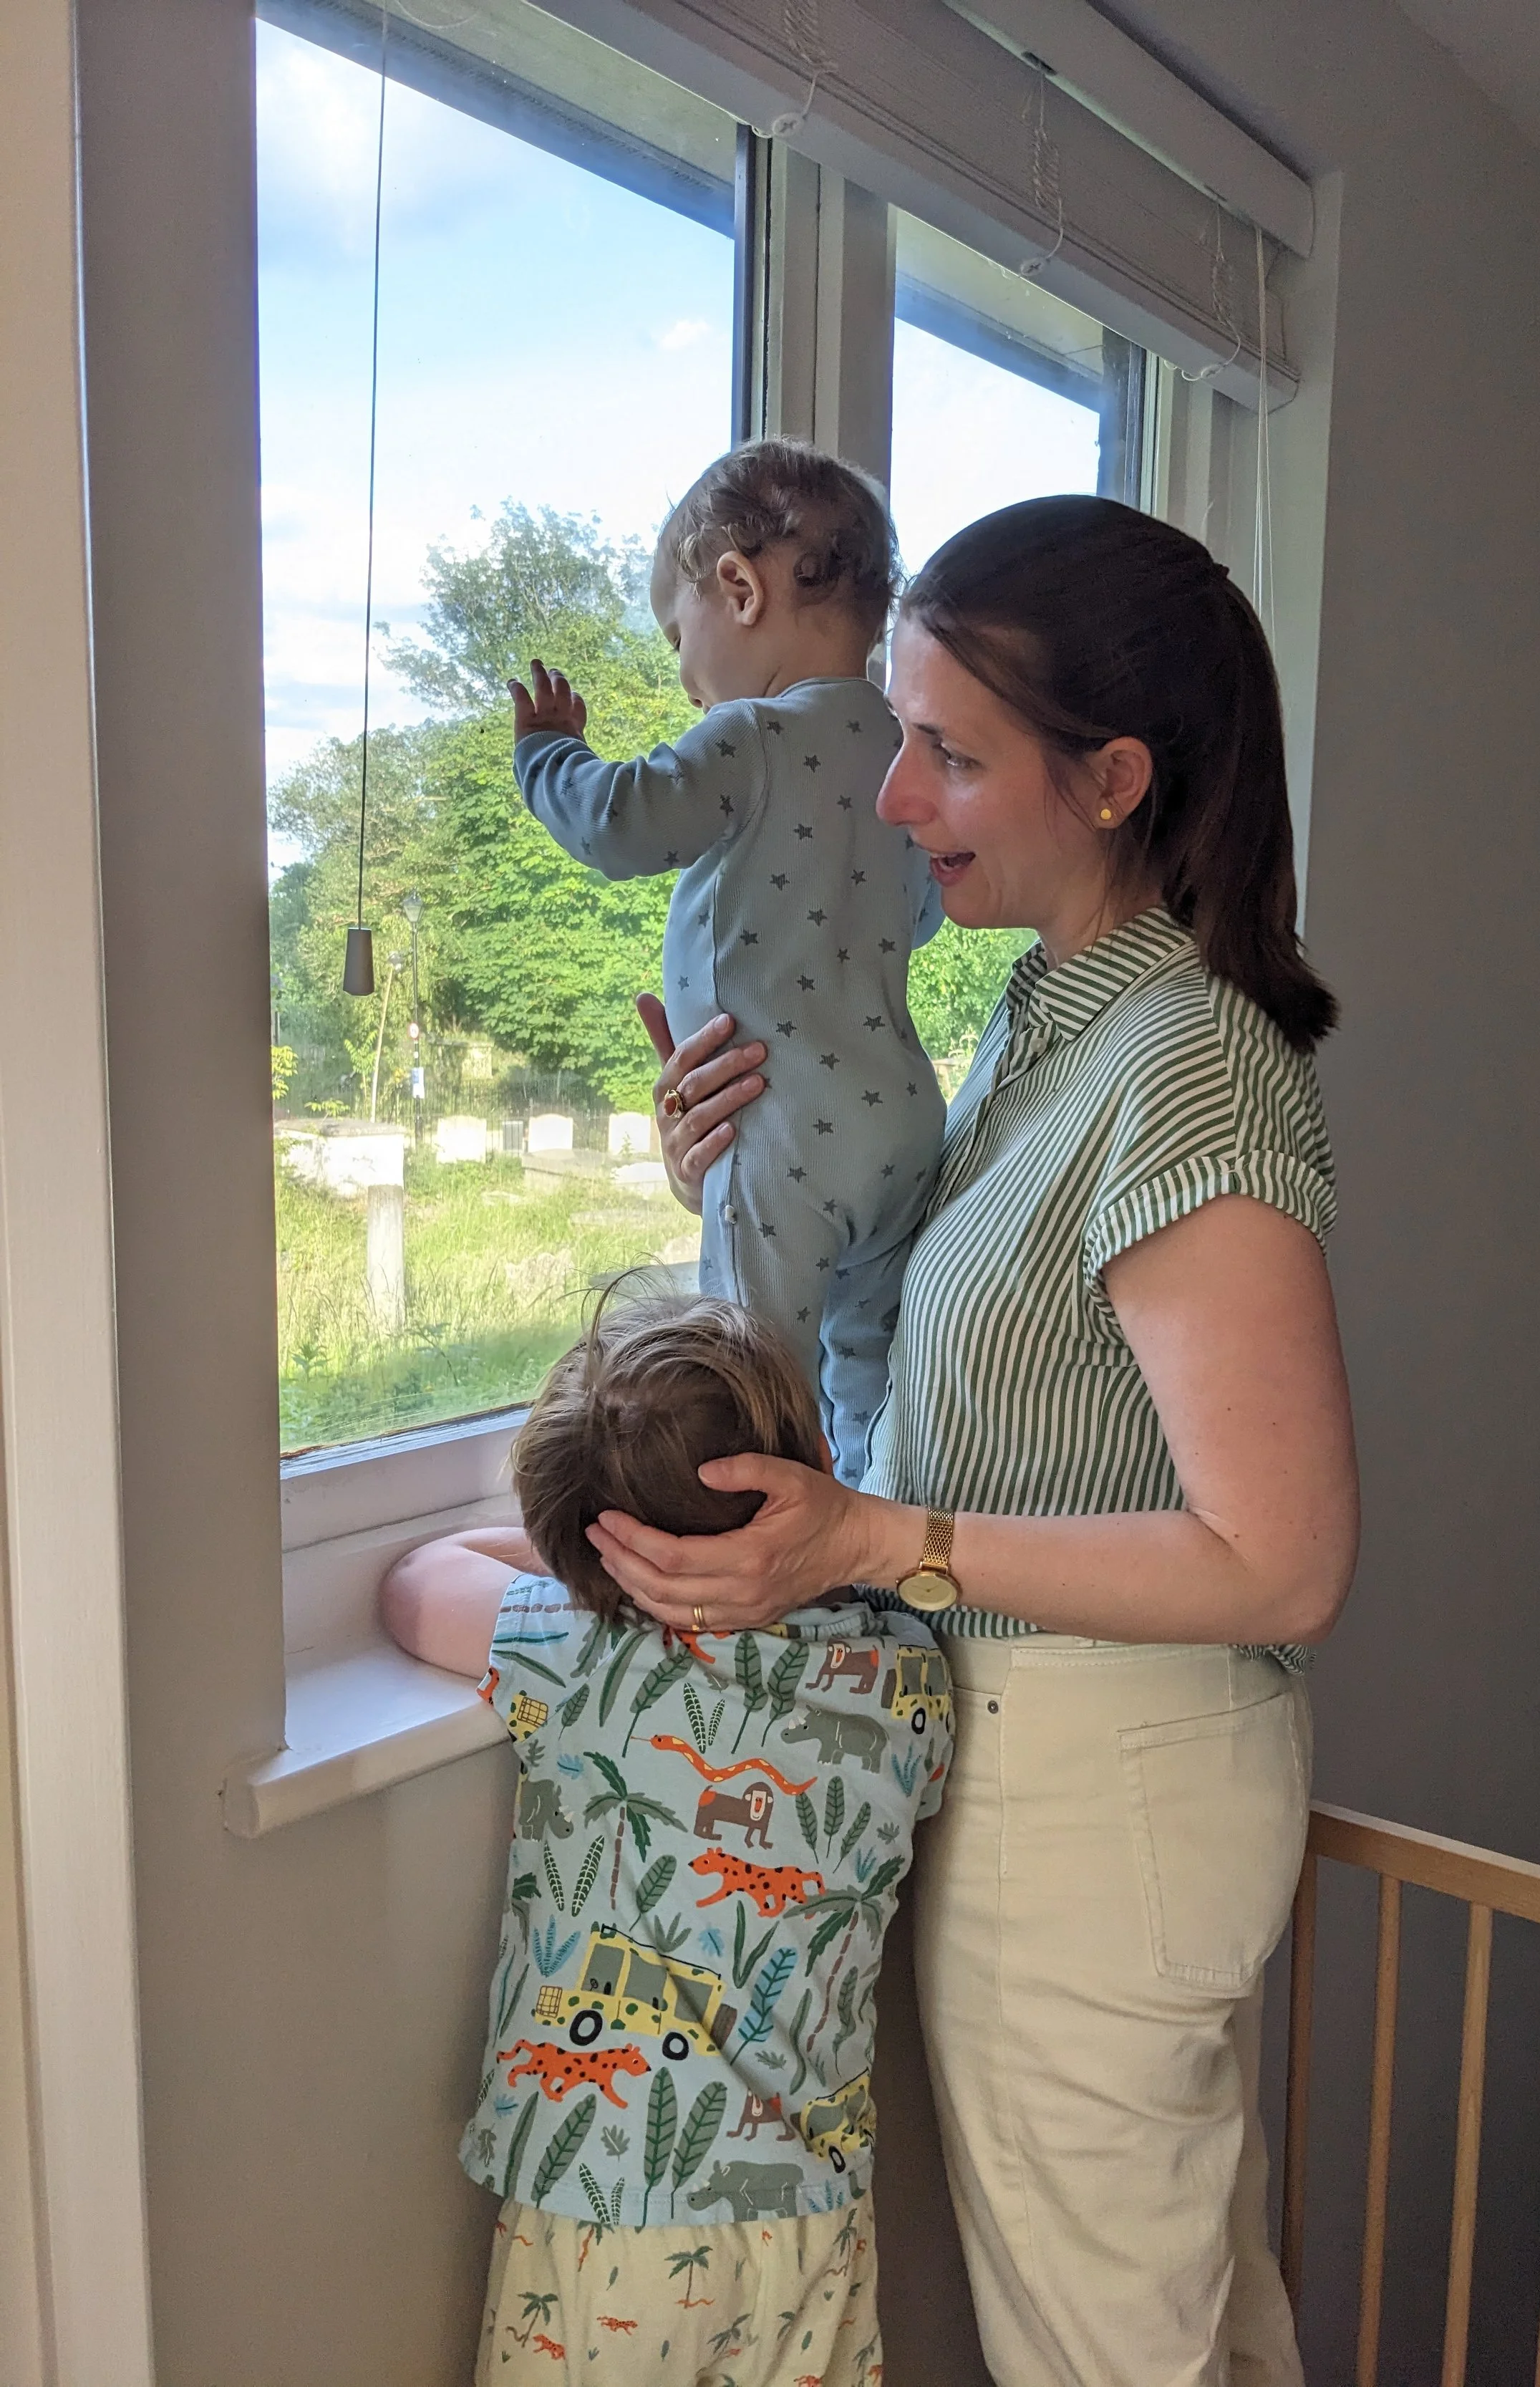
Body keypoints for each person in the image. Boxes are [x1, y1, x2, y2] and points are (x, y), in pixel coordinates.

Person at [583, 496, 1360, 2387]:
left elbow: (1281, 1557)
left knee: (1109, 2349)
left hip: (1107, 1782)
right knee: (1173, 2325)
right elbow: (937, 1356)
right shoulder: (1042, 1025)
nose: (885, 795)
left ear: (1107, 778)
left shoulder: (1178, 1063)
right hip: (1061, 1764)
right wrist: (727, 1167)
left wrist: (869, 1541)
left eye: (944, 751)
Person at [380, 1291, 953, 2387]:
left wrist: (600, 1579)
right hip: (814, 2215)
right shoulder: (904, 1669)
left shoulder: (578, 1654)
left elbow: (418, 1582)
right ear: (819, 1465)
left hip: (607, 2214)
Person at [508, 437, 945, 1486]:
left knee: (754, 1382)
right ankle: (872, 1530)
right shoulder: (911, 751)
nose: (685, 676)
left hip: (782, 1127)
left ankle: (766, 1578)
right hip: (898, 1120)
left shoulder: (750, 735)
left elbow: (618, 824)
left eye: (676, 634)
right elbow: (921, 915)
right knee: (871, 1382)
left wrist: (547, 756)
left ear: (738, 587)